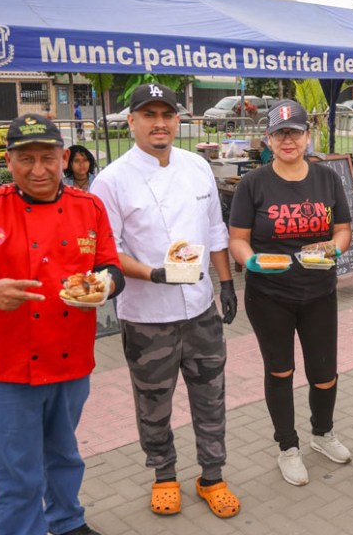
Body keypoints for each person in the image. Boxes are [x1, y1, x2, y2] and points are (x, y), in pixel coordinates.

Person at [0, 114, 124, 535]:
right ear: (9, 161)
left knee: (63, 454)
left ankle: (67, 520)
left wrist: (104, 287)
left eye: (48, 158)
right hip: (7, 367)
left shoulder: (89, 206)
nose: (38, 169)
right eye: (26, 159)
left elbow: (111, 266)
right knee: (16, 472)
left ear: (64, 158)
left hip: (71, 360)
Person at [89, 83, 240, 519]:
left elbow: (215, 230)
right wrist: (153, 273)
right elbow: (109, 250)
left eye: (167, 115)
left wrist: (226, 283)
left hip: (200, 310)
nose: (160, 123)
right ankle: (164, 475)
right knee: (153, 402)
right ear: (131, 121)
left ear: (178, 120)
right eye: (149, 115)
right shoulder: (111, 181)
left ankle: (212, 475)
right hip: (145, 315)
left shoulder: (197, 167)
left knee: (211, 396)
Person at [228, 99, 353, 488]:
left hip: (318, 290)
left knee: (325, 373)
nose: (288, 140)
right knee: (280, 370)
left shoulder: (327, 179)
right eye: (280, 133)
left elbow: (344, 231)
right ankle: (288, 447)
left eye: (294, 132)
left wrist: (331, 248)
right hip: (269, 294)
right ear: (268, 138)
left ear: (306, 137)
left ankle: (323, 433)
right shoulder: (254, 184)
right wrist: (251, 263)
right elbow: (238, 239)